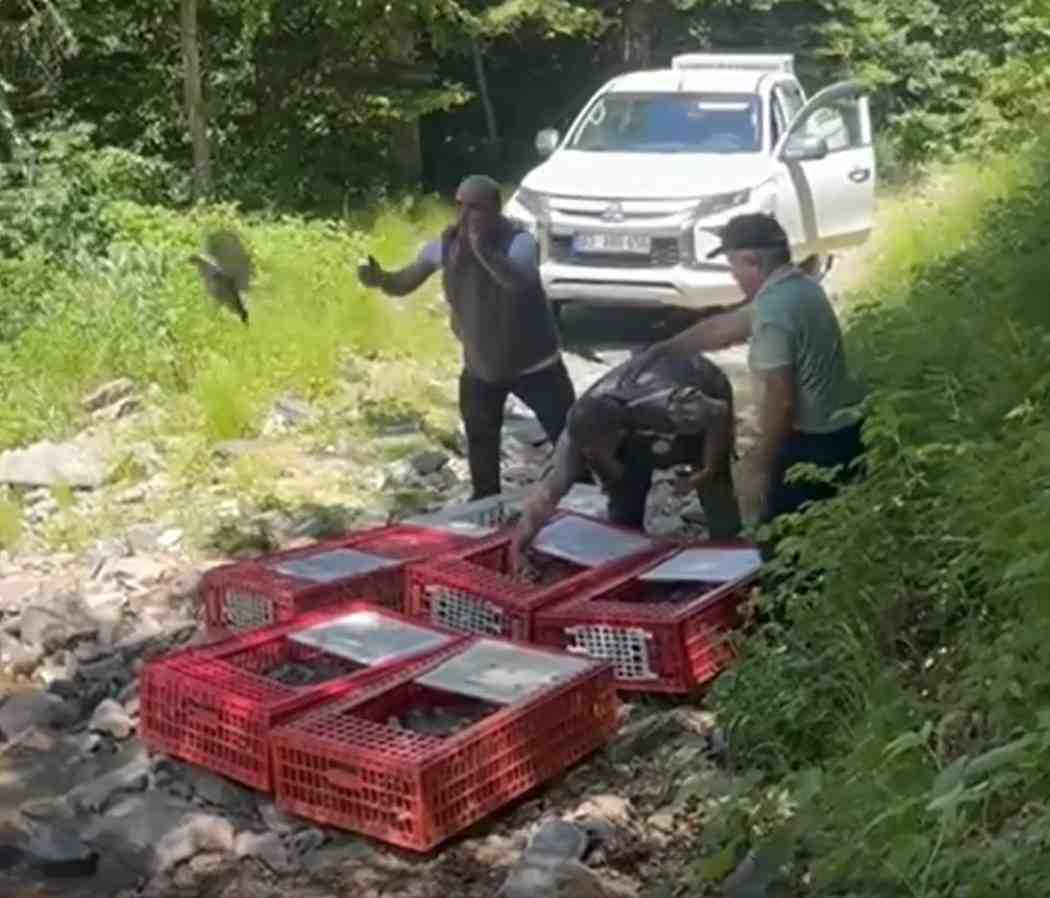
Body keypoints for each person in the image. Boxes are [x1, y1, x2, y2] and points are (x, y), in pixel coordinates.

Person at [357, 174, 575, 501]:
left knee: (569, 436)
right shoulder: (446, 245)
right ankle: (486, 507)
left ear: (494, 210)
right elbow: (405, 281)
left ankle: (588, 505)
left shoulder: (519, 242)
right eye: (460, 205)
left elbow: (519, 280)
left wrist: (484, 251)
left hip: (535, 364)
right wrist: (381, 279)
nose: (465, 215)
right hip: (481, 367)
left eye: (475, 207)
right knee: (481, 440)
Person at [657, 212, 865, 531]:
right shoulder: (800, 288)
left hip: (814, 445)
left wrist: (762, 462)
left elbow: (781, 400)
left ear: (752, 260)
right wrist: (664, 351)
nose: (734, 277)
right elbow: (725, 327)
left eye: (734, 266)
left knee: (781, 540)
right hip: (845, 431)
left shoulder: (775, 310)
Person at [512, 347, 742, 555]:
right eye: (588, 450)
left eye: (599, 447)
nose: (593, 453)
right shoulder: (575, 433)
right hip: (636, 429)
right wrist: (518, 548)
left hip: (701, 387)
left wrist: (708, 469)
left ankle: (729, 548)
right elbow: (547, 493)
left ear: (618, 434)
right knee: (622, 497)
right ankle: (630, 550)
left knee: (713, 485)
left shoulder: (667, 405)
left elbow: (718, 414)